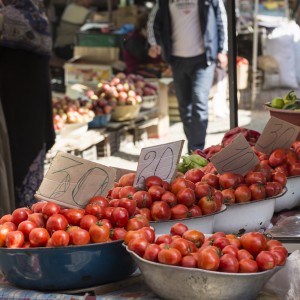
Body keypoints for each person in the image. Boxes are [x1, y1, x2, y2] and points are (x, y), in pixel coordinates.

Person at [147, 0, 228, 152]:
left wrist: (222, 50)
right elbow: (153, 21)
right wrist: (154, 43)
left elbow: (221, 19)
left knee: (199, 102)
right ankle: (194, 148)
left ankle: (196, 149)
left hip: (203, 59)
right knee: (185, 107)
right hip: (177, 60)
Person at [0, 0, 55, 209]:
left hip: (19, 106)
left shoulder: (13, 17)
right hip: (29, 108)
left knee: (17, 165)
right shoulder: (34, 12)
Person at [123, 12, 164, 78]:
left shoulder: (147, 39)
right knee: (159, 75)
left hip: (149, 68)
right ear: (142, 28)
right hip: (136, 71)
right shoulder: (133, 39)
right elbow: (144, 56)